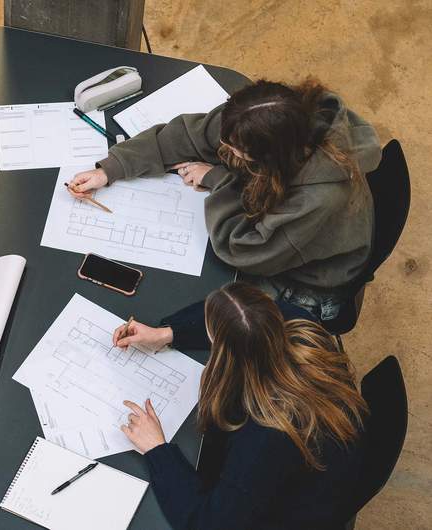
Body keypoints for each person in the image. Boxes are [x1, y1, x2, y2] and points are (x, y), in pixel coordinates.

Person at [68, 80, 382, 320]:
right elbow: (188, 136)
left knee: (211, 317)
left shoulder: (318, 198)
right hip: (282, 242)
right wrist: (111, 169)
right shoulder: (263, 119)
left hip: (309, 284)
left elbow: (243, 247)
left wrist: (218, 179)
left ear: (269, 160)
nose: (225, 154)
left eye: (235, 154)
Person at [115, 283, 367, 529]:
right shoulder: (300, 324)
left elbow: (211, 523)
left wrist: (157, 449)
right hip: (321, 468)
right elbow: (241, 319)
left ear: (224, 354)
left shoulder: (266, 437)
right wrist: (166, 334)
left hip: (293, 513)